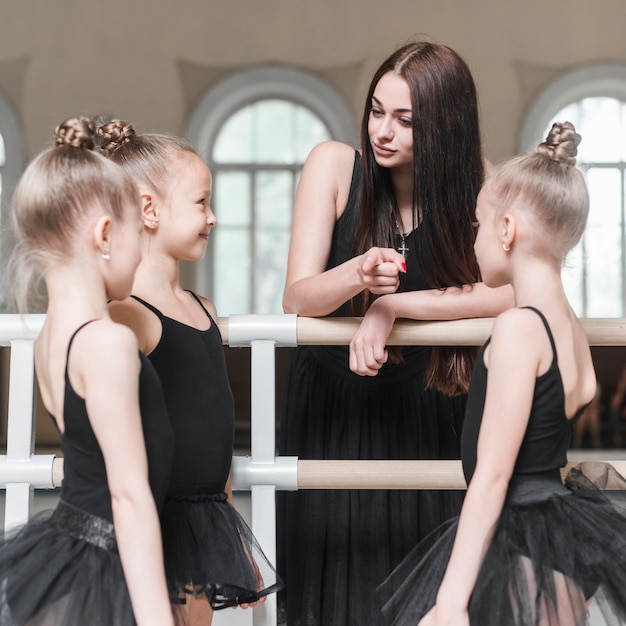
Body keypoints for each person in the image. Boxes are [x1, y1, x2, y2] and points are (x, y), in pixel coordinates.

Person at [279, 41, 513, 625]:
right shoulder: (333, 164)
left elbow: (511, 291)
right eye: (376, 110)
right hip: (335, 408)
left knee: (427, 588)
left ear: (445, 125)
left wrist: (394, 308)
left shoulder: (481, 184)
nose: (382, 131)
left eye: (405, 120)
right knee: (335, 587)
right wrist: (356, 274)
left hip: (432, 406)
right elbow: (298, 296)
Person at [379, 121, 626, 625]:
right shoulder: (568, 328)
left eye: (476, 226)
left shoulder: (518, 329)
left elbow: (492, 477)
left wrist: (448, 602)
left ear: (508, 230)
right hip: (558, 546)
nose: (473, 242)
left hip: (515, 545)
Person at [99, 119, 283, 625]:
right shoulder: (128, 314)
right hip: (153, 516)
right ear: (149, 210)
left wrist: (231, 536)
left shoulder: (204, 309)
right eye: (201, 203)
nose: (214, 217)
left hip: (205, 520)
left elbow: (214, 422)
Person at [0, 117, 175, 625]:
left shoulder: (48, 340)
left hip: (69, 551)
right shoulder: (107, 343)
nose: (141, 250)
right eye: (136, 235)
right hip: (106, 563)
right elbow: (127, 495)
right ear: (104, 234)